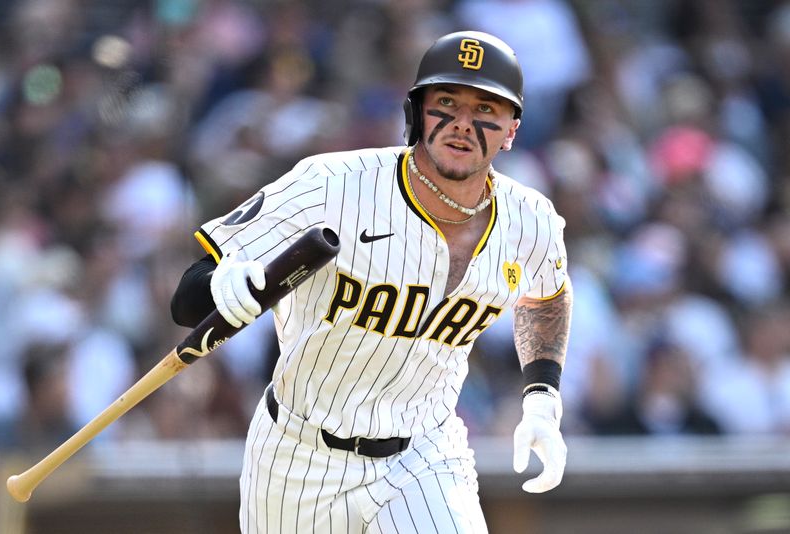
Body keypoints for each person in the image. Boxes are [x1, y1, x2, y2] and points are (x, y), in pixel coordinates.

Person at [171, 30, 573, 534]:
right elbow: (188, 299)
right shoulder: (332, 183)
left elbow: (545, 295)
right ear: (416, 112)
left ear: (511, 129)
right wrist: (222, 283)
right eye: (445, 102)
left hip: (424, 451)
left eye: (485, 108)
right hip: (299, 453)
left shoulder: (530, 218)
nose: (462, 124)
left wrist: (542, 396)